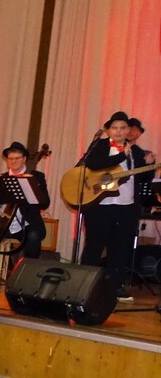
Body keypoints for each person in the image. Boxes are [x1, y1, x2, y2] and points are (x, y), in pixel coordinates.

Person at [80, 111, 154, 302]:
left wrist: (150, 164)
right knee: (94, 246)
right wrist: (121, 156)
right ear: (108, 130)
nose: (119, 131)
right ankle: (84, 284)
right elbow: (93, 164)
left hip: (126, 207)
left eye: (123, 128)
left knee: (120, 248)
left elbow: (143, 178)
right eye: (115, 128)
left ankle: (116, 286)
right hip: (100, 206)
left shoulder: (137, 152)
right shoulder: (100, 146)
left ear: (129, 130)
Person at [0, 141, 50, 261]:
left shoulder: (37, 177)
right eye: (10, 158)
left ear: (24, 159)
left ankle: (28, 268)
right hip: (4, 224)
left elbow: (45, 203)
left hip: (27, 225)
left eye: (17, 158)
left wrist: (33, 187)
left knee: (33, 236)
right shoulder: (1, 178)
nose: (13, 161)